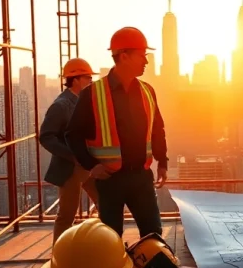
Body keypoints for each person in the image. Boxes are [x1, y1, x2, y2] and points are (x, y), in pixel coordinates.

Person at [65, 26, 168, 239]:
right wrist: (92, 166)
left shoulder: (147, 91)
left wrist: (163, 162)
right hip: (110, 180)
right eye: (142, 56)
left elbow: (157, 130)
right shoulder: (93, 94)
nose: (146, 62)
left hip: (141, 177)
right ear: (124, 56)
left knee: (153, 234)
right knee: (111, 238)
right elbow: (73, 134)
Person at [40, 57, 100, 241]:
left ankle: (103, 246)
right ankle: (59, 256)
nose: (91, 80)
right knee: (67, 215)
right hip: (71, 168)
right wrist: (72, 155)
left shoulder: (81, 101)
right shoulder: (61, 106)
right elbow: (46, 136)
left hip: (87, 164)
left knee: (106, 203)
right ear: (75, 80)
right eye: (87, 77)